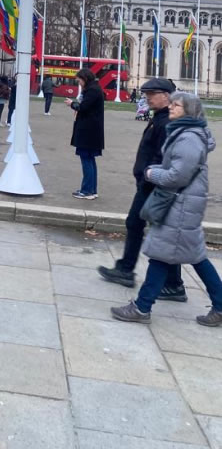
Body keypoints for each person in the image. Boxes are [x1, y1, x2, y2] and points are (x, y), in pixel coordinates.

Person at [111, 91, 222, 327]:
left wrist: (152, 173)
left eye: (177, 105)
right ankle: (219, 305)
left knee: (162, 256)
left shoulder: (188, 138)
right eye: (172, 104)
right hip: (183, 203)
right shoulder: (186, 133)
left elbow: (178, 176)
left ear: (189, 111)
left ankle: (142, 307)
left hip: (181, 204)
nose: (171, 107)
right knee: (191, 257)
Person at [98, 77, 186, 295]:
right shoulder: (160, 118)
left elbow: (163, 157)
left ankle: (167, 282)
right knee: (144, 226)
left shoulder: (166, 122)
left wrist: (147, 175)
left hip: (153, 185)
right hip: (149, 183)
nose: (147, 98)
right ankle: (136, 272)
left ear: (166, 96)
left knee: (148, 227)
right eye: (146, 95)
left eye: (151, 95)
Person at [65, 68, 104, 200]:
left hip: (88, 131)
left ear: (85, 78)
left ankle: (87, 190)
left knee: (86, 160)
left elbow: (83, 107)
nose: (79, 83)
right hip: (92, 131)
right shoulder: (94, 89)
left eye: (79, 80)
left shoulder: (92, 91)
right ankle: (92, 189)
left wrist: (72, 104)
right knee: (90, 160)